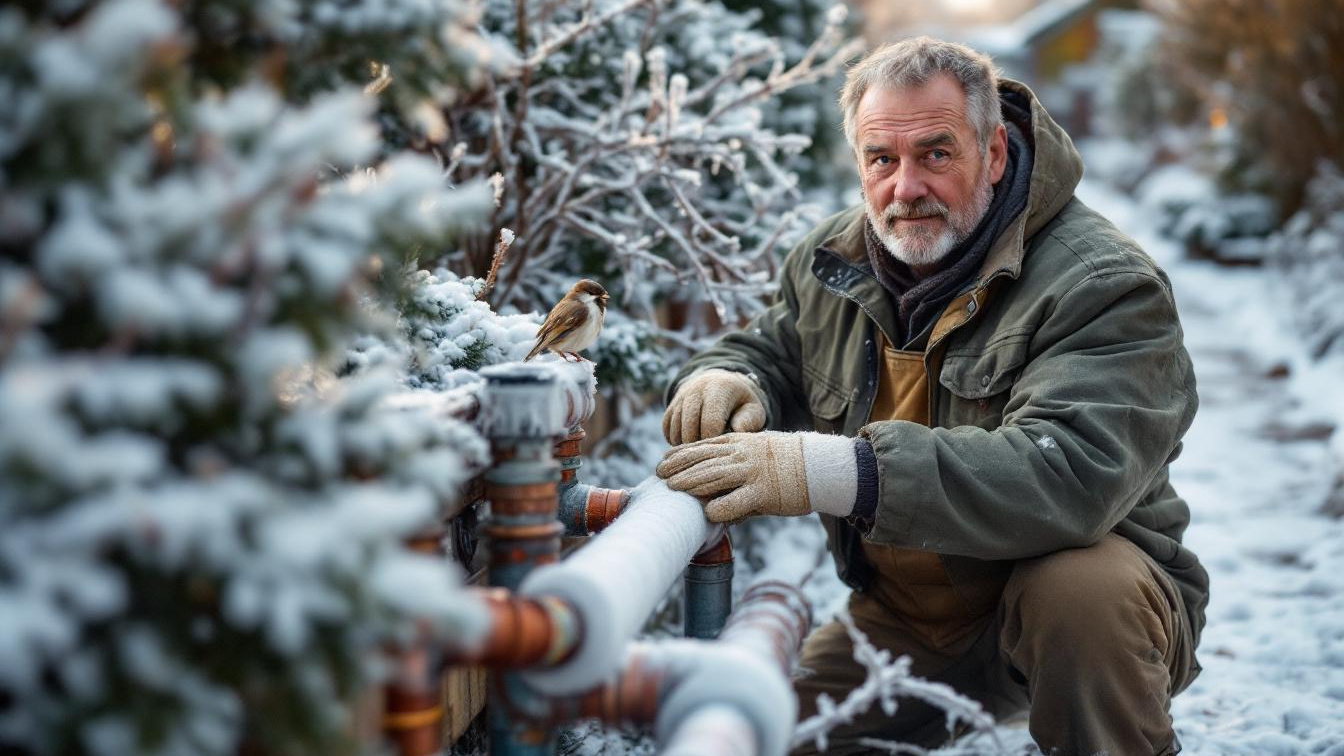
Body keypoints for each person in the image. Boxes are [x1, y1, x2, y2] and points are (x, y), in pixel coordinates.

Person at [656, 37, 1206, 756]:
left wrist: (828, 470)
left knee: (1080, 594)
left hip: (1074, 611)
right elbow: (773, 350)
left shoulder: (1102, 284)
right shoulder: (833, 261)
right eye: (882, 159)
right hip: (909, 621)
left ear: (997, 153)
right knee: (767, 739)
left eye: (937, 155)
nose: (905, 187)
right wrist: (728, 378)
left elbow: (1069, 473)